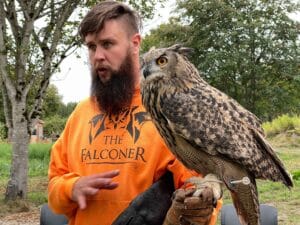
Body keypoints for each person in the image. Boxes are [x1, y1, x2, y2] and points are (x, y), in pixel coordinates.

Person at [47, 1, 222, 225]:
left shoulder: (170, 112)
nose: (98, 56)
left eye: (107, 44)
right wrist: (71, 188)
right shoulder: (80, 114)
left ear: (135, 43)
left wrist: (196, 206)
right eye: (91, 47)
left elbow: (201, 191)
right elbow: (54, 191)